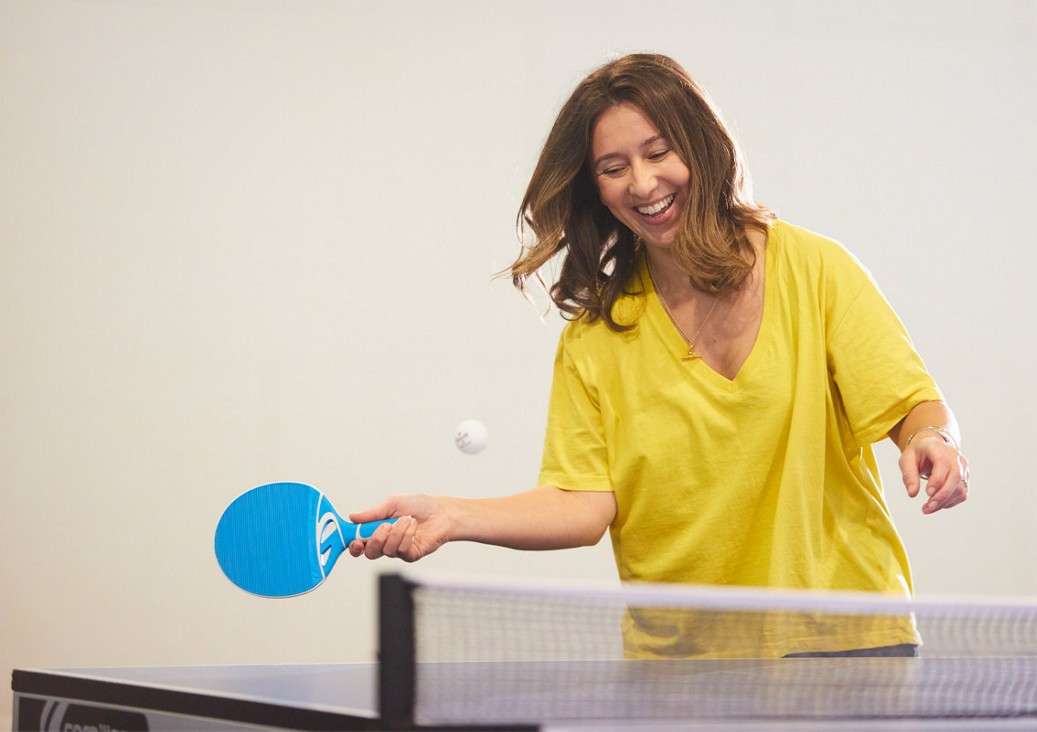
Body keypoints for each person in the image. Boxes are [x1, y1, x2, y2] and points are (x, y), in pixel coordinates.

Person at [347, 53, 969, 658]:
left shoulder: (816, 270)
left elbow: (911, 405)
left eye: (657, 152)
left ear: (700, 147)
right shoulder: (596, 339)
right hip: (685, 664)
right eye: (613, 167)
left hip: (846, 640)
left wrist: (933, 439)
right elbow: (583, 506)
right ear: (595, 188)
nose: (642, 184)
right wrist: (450, 514)